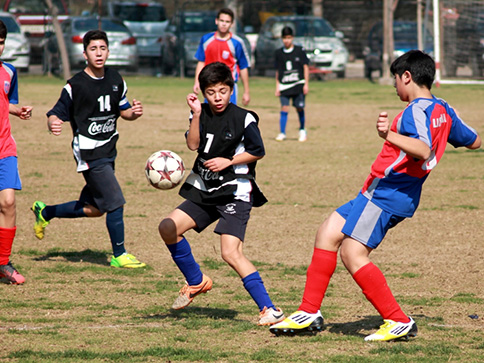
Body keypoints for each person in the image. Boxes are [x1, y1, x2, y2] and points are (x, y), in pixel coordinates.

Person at [270, 50, 481, 341]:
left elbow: (423, 150)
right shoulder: (443, 109)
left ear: (407, 77)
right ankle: (309, 312)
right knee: (328, 232)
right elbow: (474, 141)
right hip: (378, 191)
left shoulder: (415, 111)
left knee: (352, 253)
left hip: (387, 194)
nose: (395, 87)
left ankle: (398, 320)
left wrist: (388, 136)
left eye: (395, 80)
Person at [159, 62, 285, 326]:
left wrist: (228, 161)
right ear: (204, 93)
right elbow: (193, 144)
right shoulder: (201, 113)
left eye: (223, 91)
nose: (217, 97)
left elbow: (258, 150)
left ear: (231, 89)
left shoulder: (244, 118)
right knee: (168, 227)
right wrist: (194, 114)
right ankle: (196, 281)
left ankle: (269, 309)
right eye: (211, 92)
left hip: (235, 191)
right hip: (204, 188)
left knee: (230, 253)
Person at [31, 30, 146, 269]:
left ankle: (46, 212)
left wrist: (132, 113)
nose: (99, 53)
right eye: (93, 49)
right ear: (85, 54)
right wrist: (52, 122)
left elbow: (123, 111)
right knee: (115, 201)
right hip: (89, 153)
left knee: (95, 209)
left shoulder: (116, 79)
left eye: (102, 48)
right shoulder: (75, 85)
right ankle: (119, 254)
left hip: (109, 150)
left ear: (108, 51)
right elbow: (55, 112)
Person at [0, 20, 33, 285]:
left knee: (8, 202)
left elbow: (6, 101)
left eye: (1, 43)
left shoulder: (9, 71)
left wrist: (17, 110)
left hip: (5, 148)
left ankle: (3, 263)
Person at [193, 8, 251, 106]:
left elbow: (243, 67)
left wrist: (246, 92)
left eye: (227, 21)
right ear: (217, 21)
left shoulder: (237, 43)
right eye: (222, 21)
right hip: (210, 84)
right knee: (210, 117)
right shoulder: (206, 40)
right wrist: (196, 82)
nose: (224, 24)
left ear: (232, 24)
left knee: (228, 117)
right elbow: (201, 62)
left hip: (228, 85)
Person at [274, 26, 309, 142]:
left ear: (292, 38)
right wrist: (277, 86)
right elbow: (278, 71)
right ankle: (282, 132)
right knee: (284, 107)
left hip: (298, 84)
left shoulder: (300, 51)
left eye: (289, 38)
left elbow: (305, 67)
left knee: (299, 107)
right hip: (285, 85)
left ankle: (302, 130)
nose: (287, 40)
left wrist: (306, 84)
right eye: (284, 38)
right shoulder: (279, 53)